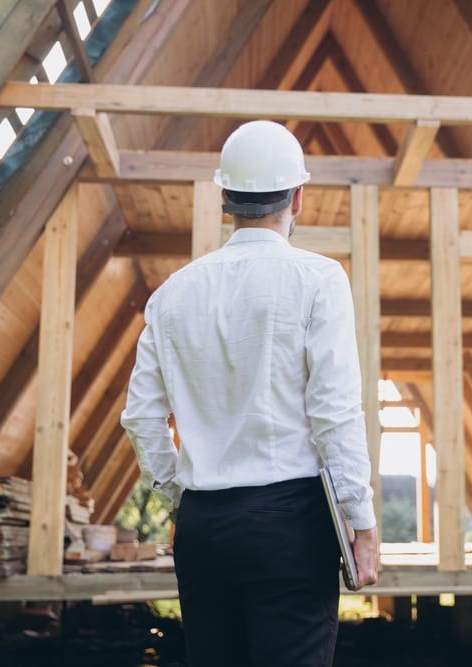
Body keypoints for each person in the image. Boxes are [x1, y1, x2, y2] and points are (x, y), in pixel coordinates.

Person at [120, 119, 379, 666]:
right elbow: (333, 412)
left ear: (225, 198)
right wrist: (360, 519)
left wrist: (178, 498)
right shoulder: (319, 279)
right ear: (299, 198)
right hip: (292, 522)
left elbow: (142, 418)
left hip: (204, 528)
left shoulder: (171, 296)